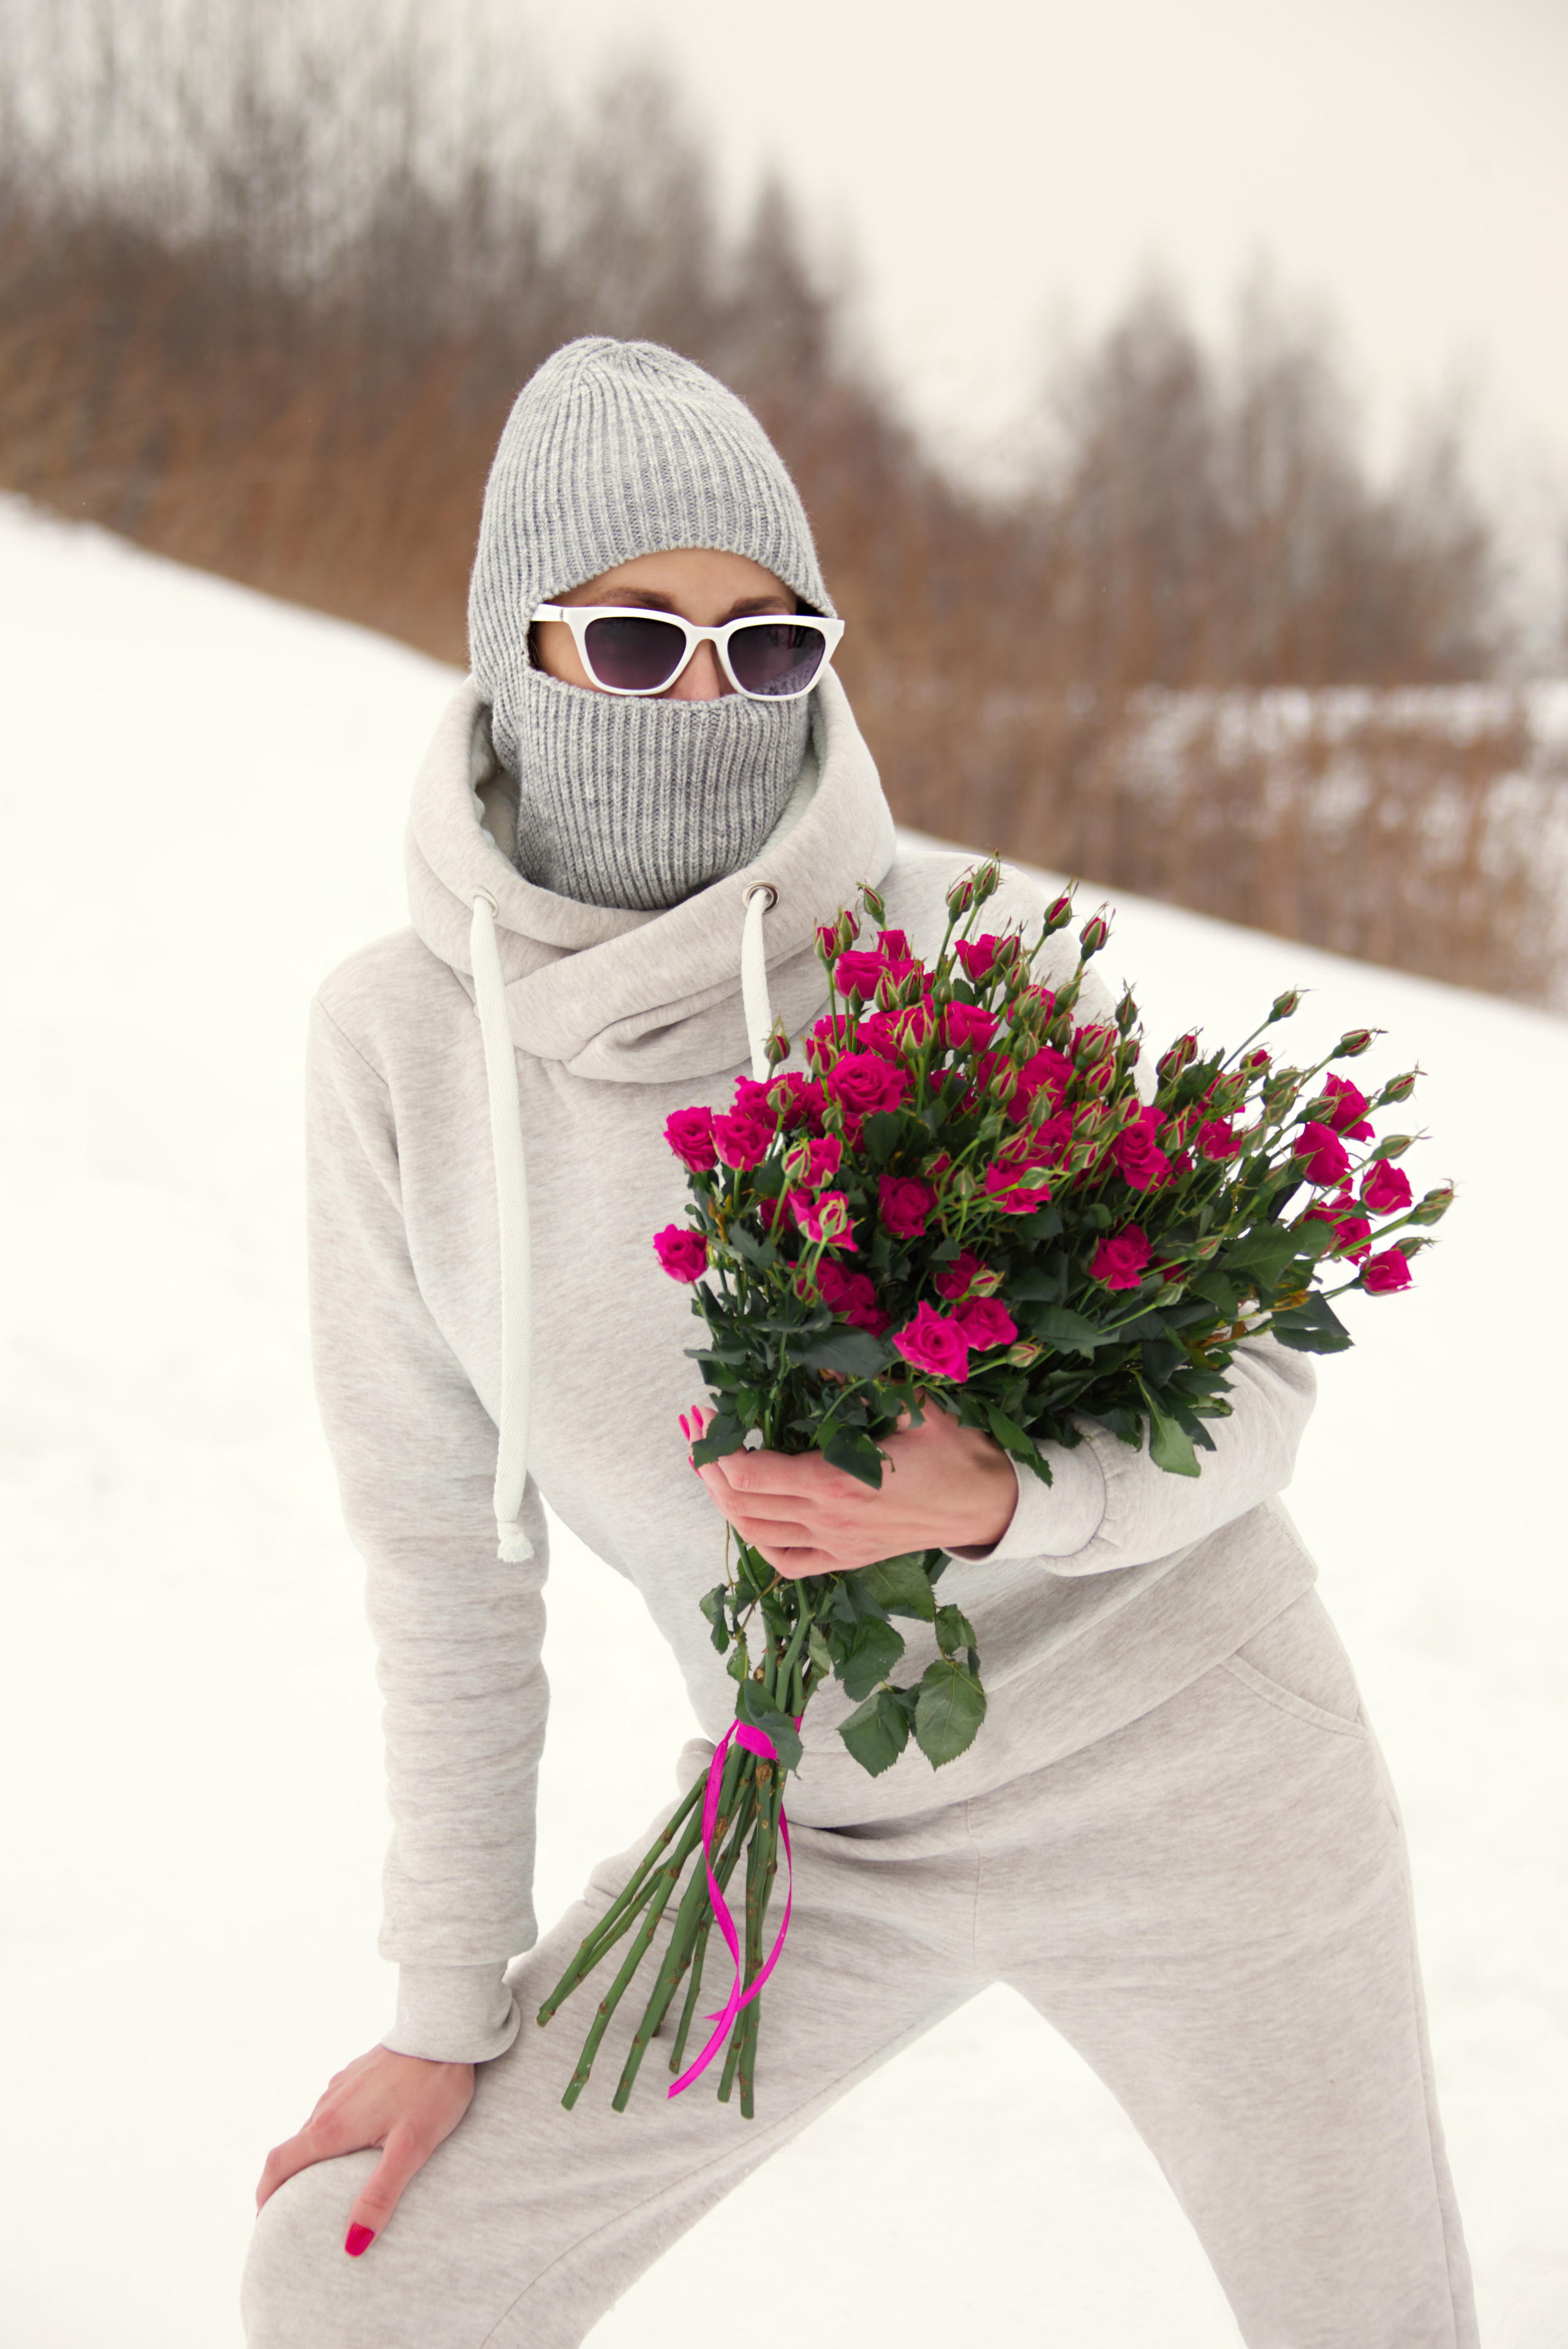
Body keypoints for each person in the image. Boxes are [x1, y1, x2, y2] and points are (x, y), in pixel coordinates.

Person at [242, 338, 1476, 2348]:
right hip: (820, 1823)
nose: (707, 698)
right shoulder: (397, 1051)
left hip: (1198, 1761)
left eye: (767, 643)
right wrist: (441, 2008)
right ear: (507, 655)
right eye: (635, 645)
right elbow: (448, 1571)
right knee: (356, 2281)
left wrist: (1008, 1492)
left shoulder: (966, 947)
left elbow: (1259, 1385)